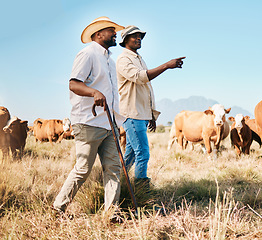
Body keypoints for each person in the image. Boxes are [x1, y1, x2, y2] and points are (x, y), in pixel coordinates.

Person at [53, 17, 125, 220]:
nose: (115, 33)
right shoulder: (87, 54)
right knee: (83, 169)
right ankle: (59, 207)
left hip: (109, 123)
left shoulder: (110, 61)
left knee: (114, 168)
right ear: (98, 34)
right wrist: (94, 92)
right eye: (111, 30)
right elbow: (74, 84)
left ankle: (112, 212)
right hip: (88, 122)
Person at [116, 25, 185, 197]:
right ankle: (141, 193)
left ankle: (116, 185)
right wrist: (167, 66)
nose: (138, 38)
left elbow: (147, 89)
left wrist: (151, 115)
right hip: (132, 114)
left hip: (140, 114)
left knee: (131, 154)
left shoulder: (139, 59)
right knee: (143, 153)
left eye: (140, 36)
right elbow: (141, 78)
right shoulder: (124, 60)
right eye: (134, 36)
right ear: (125, 40)